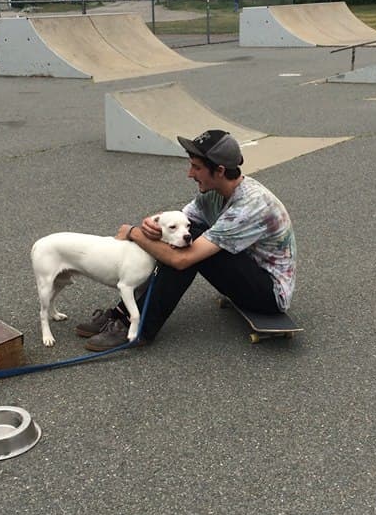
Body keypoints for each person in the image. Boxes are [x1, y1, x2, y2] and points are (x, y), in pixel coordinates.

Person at [77, 129, 296, 351]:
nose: (190, 173)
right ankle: (125, 313)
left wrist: (133, 233)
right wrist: (150, 224)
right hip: (244, 269)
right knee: (180, 236)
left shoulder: (250, 205)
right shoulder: (214, 192)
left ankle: (139, 326)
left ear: (219, 170)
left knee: (184, 252)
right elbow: (176, 223)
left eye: (197, 167)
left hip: (268, 293)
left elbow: (181, 260)